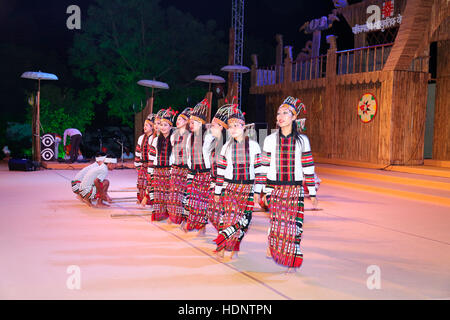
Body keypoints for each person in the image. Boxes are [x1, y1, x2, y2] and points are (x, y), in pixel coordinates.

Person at [261, 96, 318, 270]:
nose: (280, 116)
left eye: (285, 113)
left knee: (293, 226)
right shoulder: (270, 139)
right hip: (274, 187)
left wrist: (313, 193)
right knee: (278, 221)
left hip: (295, 189)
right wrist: (261, 190)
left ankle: (292, 260)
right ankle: (273, 243)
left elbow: (308, 167)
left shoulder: (302, 141)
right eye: (279, 113)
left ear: (294, 117)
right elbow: (264, 167)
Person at [213, 107, 264, 259]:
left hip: (247, 188)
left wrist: (257, 191)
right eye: (230, 126)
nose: (233, 129)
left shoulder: (254, 146)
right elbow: (220, 172)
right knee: (227, 219)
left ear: (244, 126)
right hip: (229, 187)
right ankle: (221, 247)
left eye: (236, 125)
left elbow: (259, 171)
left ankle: (235, 248)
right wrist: (217, 191)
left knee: (243, 222)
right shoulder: (226, 148)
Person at [183, 99, 214, 235]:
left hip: (206, 173)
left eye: (193, 122)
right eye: (190, 122)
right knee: (193, 200)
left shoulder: (208, 136)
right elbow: (189, 156)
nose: (191, 125)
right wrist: (190, 173)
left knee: (204, 201)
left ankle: (202, 226)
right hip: (194, 173)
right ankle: (193, 222)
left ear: (201, 123)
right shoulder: (190, 137)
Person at [147, 108, 176, 221]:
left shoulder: (174, 139)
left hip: (169, 169)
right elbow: (152, 157)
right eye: (161, 125)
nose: (163, 127)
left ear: (170, 127)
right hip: (158, 170)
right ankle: (160, 215)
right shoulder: (155, 140)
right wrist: (150, 172)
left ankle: (170, 215)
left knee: (169, 194)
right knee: (158, 194)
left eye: (165, 125)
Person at [207, 105, 231, 230]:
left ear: (221, 127)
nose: (210, 127)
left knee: (220, 214)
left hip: (225, 184)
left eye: (213, 125)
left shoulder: (228, 144)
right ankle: (224, 235)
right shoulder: (214, 142)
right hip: (214, 182)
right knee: (212, 212)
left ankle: (225, 237)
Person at [167, 107, 192, 224]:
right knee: (174, 194)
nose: (178, 121)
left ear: (187, 121)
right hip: (176, 167)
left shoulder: (190, 136)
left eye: (181, 119)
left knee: (185, 194)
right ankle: (174, 217)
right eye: (177, 119)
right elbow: (172, 153)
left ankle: (185, 218)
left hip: (186, 168)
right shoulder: (173, 135)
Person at [134, 114, 155, 205]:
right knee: (141, 183)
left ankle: (149, 201)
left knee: (149, 183)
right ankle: (140, 198)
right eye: (144, 125)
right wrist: (137, 165)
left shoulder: (154, 138)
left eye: (147, 125)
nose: (144, 127)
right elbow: (138, 153)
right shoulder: (141, 138)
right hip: (143, 165)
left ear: (152, 127)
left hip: (151, 165)